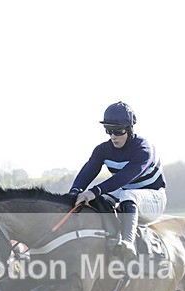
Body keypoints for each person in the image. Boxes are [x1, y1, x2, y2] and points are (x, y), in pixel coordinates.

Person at [69, 101, 167, 259]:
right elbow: (87, 172)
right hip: (126, 194)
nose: (113, 136)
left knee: (127, 196)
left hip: (153, 198)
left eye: (118, 130)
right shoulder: (102, 150)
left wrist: (95, 191)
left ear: (129, 129)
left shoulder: (144, 148)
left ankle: (128, 243)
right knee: (99, 200)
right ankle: (110, 240)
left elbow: (126, 176)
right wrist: (74, 193)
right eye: (108, 131)